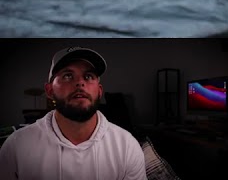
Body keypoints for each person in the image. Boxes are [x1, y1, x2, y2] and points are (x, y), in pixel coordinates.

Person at [0, 47, 146, 180]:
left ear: (100, 91)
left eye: (88, 76)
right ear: (49, 90)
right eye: (68, 76)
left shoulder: (127, 146)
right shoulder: (16, 146)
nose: (80, 83)